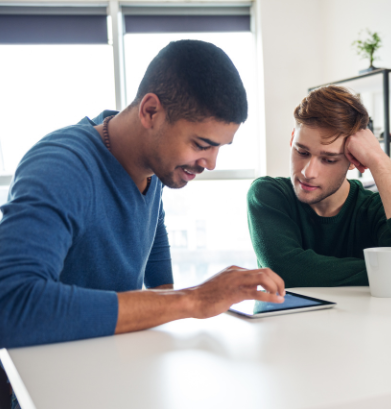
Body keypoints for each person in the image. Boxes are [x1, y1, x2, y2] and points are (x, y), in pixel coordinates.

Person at [0, 40, 285, 350]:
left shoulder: (153, 165)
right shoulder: (62, 166)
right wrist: (193, 299)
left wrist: (171, 295)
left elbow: (151, 235)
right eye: (202, 145)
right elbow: (11, 306)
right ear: (151, 112)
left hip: (118, 362)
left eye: (219, 147)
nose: (211, 163)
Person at [247, 85, 391, 288]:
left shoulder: (374, 208)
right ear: (292, 140)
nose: (308, 172)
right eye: (302, 152)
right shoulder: (268, 195)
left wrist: (380, 161)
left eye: (328, 160)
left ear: (354, 159)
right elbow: (284, 270)